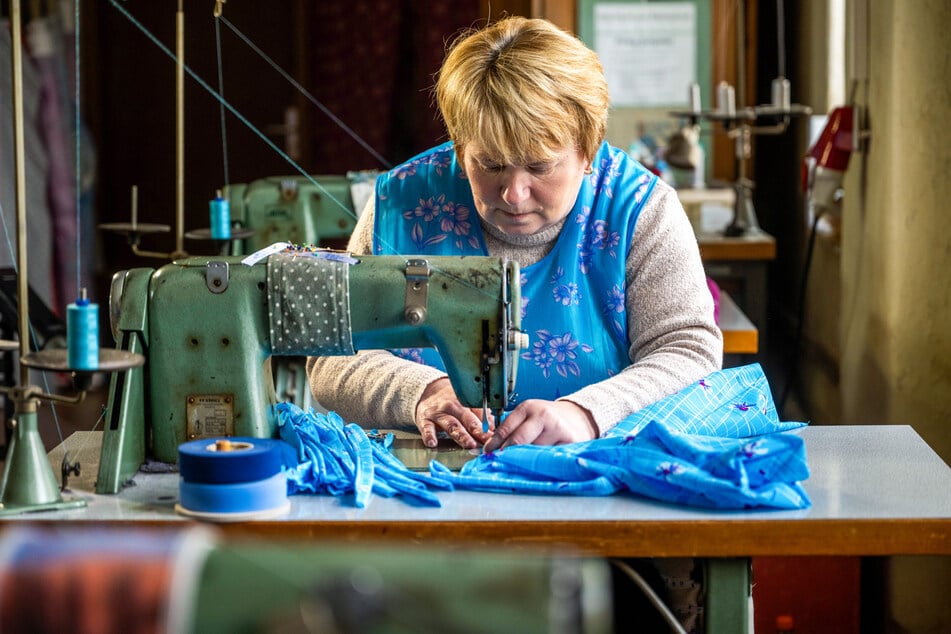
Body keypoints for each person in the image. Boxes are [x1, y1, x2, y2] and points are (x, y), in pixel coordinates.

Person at [306, 17, 722, 632]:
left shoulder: (640, 211)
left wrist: (585, 413)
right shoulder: (401, 204)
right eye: (490, 166)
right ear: (458, 146)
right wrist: (418, 393)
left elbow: (689, 351)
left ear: (588, 147)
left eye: (539, 166)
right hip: (426, 514)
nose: (514, 194)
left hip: (601, 519)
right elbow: (331, 359)